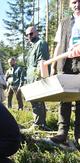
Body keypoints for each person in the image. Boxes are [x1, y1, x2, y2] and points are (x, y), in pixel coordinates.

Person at [49, 0, 80, 146]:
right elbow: (59, 44)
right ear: (69, 4)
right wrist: (53, 64)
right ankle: (62, 133)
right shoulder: (64, 22)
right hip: (66, 63)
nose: (77, 4)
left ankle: (78, 135)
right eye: (74, 2)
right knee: (65, 98)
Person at [24, 26, 51, 131]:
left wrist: (38, 77)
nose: (29, 36)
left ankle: (40, 124)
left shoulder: (41, 43)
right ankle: (38, 123)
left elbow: (42, 61)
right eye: (27, 35)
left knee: (38, 100)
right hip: (30, 78)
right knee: (34, 101)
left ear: (36, 33)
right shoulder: (31, 46)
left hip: (36, 77)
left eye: (31, 33)